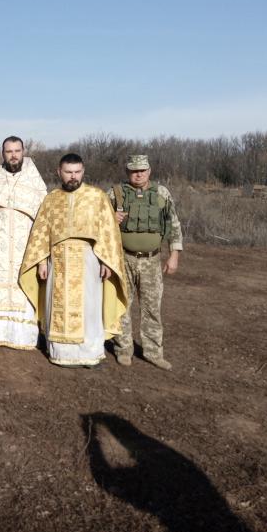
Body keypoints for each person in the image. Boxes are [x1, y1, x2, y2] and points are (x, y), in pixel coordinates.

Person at [20, 153, 128, 368]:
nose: (73, 176)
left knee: (90, 307)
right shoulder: (51, 199)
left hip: (88, 258)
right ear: (59, 172)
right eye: (68, 172)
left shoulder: (97, 197)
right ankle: (61, 353)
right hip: (58, 259)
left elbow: (108, 231)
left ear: (83, 171)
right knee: (56, 305)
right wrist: (41, 261)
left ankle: (89, 354)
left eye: (77, 172)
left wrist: (107, 261)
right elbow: (41, 231)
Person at [108, 154, 183, 370]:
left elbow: (174, 224)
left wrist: (174, 254)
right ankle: (123, 349)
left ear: (149, 171)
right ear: (127, 172)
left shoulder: (161, 193)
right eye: (134, 171)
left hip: (152, 261)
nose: (138, 174)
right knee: (122, 306)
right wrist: (110, 218)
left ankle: (153, 352)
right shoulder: (115, 193)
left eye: (142, 170)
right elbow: (96, 221)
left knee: (152, 308)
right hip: (123, 259)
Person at [0, 135, 47, 349]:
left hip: (26, 245)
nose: (13, 155)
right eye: (9, 151)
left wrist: (40, 252)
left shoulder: (34, 181)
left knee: (23, 285)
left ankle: (23, 337)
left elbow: (43, 219)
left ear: (23, 152)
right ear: (3, 154)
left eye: (17, 151)